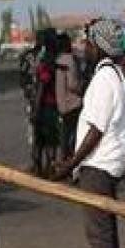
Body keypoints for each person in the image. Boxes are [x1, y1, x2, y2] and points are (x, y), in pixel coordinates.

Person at [52, 19, 125, 248]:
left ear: (99, 46)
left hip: (98, 165)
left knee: (99, 233)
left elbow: (96, 129)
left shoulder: (104, 80)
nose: (83, 48)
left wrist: (70, 163)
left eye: (87, 43)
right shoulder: (114, 76)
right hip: (107, 162)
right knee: (106, 232)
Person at [30, 31, 61, 174]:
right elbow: (42, 87)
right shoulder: (50, 62)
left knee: (41, 140)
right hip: (47, 106)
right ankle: (47, 168)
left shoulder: (46, 61)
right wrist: (36, 109)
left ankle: (40, 168)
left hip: (45, 105)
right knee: (49, 140)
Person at [54, 32, 83, 162]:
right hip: (73, 103)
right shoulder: (70, 60)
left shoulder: (57, 60)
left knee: (64, 136)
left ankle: (62, 161)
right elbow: (72, 84)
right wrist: (82, 88)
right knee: (75, 135)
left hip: (61, 104)